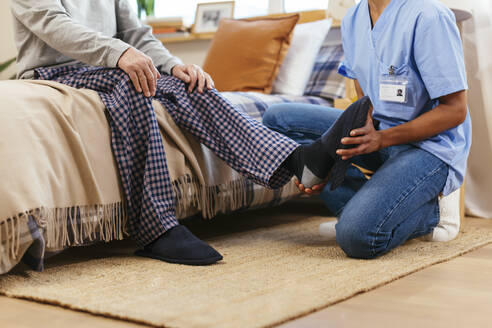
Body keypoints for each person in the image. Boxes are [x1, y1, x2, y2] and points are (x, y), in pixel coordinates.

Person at [10, 0, 339, 266]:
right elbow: (52, 23)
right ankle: (156, 228)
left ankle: (296, 159)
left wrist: (172, 65)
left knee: (191, 86)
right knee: (134, 85)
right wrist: (119, 54)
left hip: (107, 67)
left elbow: (134, 32)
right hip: (55, 70)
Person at [263, 0, 471, 259]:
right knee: (277, 119)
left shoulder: (429, 16)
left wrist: (382, 139)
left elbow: (455, 110)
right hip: (380, 135)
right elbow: (366, 97)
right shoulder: (353, 19)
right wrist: (329, 159)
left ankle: (433, 214)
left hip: (429, 148)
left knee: (357, 238)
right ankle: (365, 209)